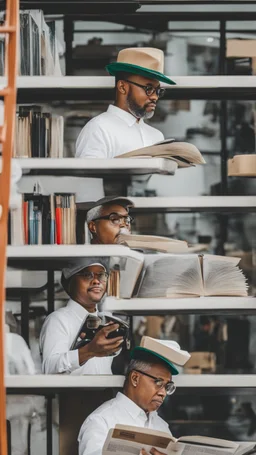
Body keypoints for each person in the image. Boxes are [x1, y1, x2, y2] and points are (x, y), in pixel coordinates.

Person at [78, 341, 187, 455]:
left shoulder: (161, 426)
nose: (163, 393)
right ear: (135, 378)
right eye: (158, 382)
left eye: (167, 386)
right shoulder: (101, 421)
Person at [76, 47, 175, 159]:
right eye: (148, 88)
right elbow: (90, 176)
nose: (155, 97)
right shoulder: (99, 129)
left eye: (158, 91)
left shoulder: (157, 136)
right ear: (122, 87)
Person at [39, 258, 124, 375]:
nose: (96, 281)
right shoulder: (59, 320)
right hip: (72, 394)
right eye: (87, 275)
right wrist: (89, 351)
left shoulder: (106, 320)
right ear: (70, 283)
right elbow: (50, 368)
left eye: (101, 275)